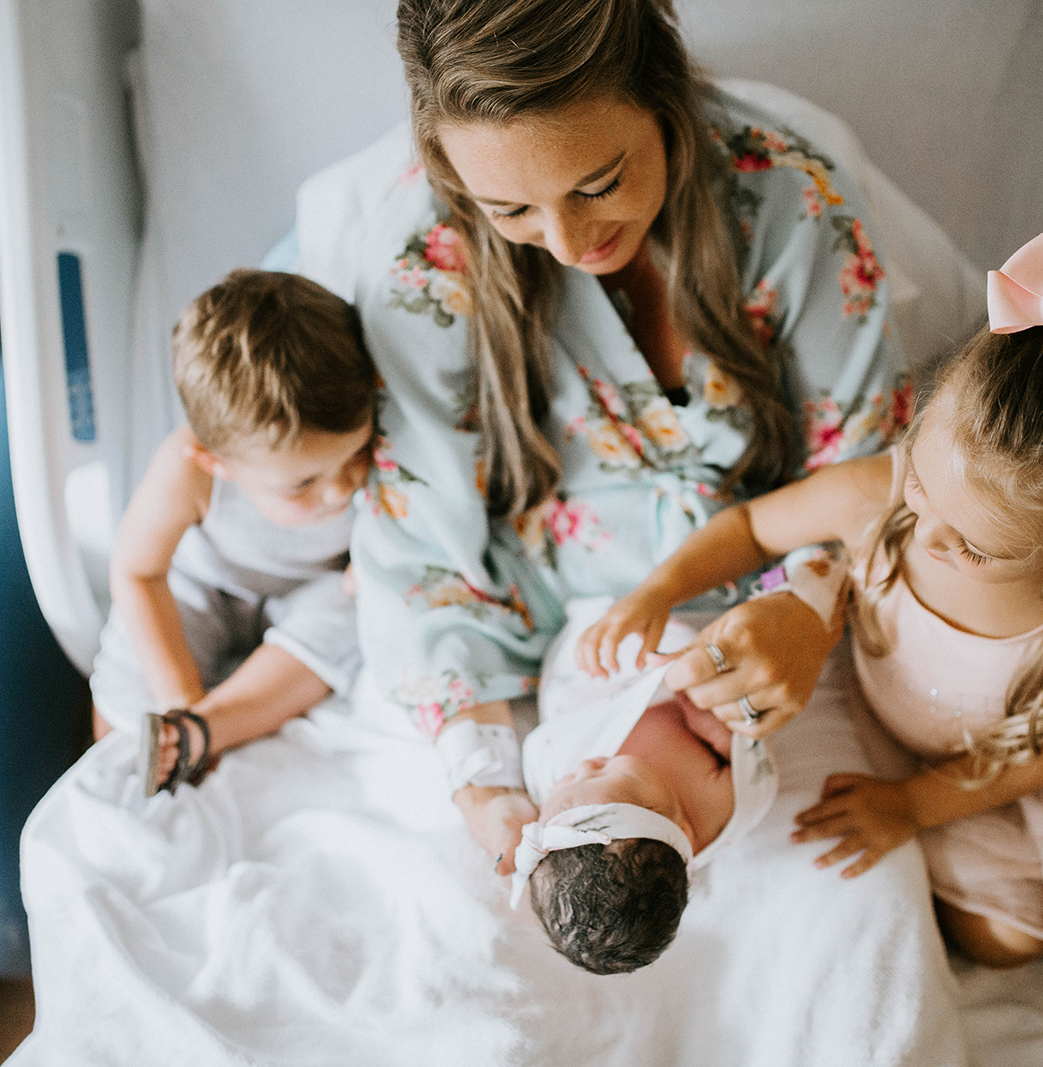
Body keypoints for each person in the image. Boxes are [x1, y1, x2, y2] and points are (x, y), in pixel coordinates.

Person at [340, 0, 913, 874]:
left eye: (598, 184)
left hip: (768, 574)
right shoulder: (420, 267)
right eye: (511, 210)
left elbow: (870, 466)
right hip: (541, 608)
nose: (567, 243)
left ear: (665, 99)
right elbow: (420, 551)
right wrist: (485, 783)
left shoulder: (792, 201)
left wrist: (811, 603)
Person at [580, 234, 1043, 987]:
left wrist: (912, 804)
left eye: (975, 548)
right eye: (918, 483)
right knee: (996, 939)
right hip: (932, 747)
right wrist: (661, 589)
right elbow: (752, 528)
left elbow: (1041, 757)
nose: (927, 532)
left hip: (1021, 761)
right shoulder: (876, 496)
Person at [91, 269, 376, 796]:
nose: (341, 491)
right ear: (217, 462)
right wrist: (178, 694)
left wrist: (373, 557)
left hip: (307, 594)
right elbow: (136, 572)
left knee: (356, 611)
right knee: (128, 681)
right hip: (207, 587)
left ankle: (213, 727)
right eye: (304, 484)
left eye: (357, 454)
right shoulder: (186, 471)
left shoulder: (371, 443)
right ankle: (168, 733)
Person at [509, 549, 845, 974]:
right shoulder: (713, 809)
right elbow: (742, 750)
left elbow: (556, 751)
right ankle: (795, 578)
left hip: (612, 697)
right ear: (679, 827)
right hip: (676, 679)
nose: (582, 767)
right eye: (603, 772)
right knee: (739, 645)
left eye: (563, 794)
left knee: (588, 665)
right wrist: (699, 715)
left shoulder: (574, 794)